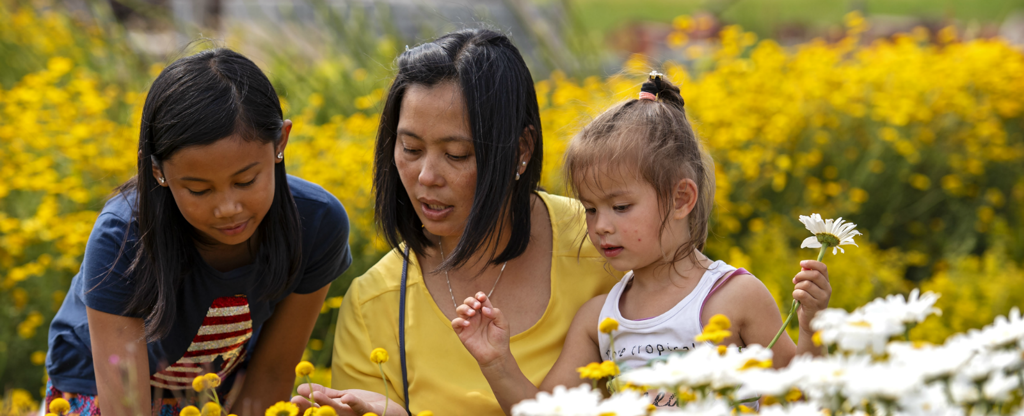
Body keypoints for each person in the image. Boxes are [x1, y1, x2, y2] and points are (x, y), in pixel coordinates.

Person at [451, 73, 832, 413]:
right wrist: (497, 362)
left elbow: (799, 399)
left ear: (682, 198)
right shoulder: (599, 319)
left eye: (620, 206)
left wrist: (811, 324)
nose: (601, 226)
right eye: (590, 209)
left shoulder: (734, 295)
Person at [289, 29, 620, 416]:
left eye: (457, 154)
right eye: (410, 148)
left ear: (521, 150)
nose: (427, 176)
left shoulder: (605, 243)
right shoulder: (374, 304)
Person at [45, 48, 352, 416]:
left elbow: (271, 373)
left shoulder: (316, 223)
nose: (227, 208)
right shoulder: (123, 236)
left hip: (213, 387)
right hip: (101, 386)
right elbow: (125, 406)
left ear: (280, 142)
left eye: (245, 180)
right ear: (158, 171)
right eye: (199, 190)